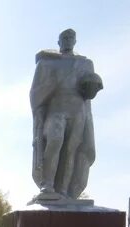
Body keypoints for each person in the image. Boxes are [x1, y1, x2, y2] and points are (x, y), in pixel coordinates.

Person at [30, 28, 103, 201]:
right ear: (59, 42)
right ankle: (47, 185)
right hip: (56, 108)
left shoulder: (85, 64)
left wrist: (92, 86)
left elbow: (89, 93)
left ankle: (64, 190)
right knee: (54, 141)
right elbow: (36, 92)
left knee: (72, 150)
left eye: (71, 37)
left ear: (75, 41)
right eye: (64, 37)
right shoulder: (48, 63)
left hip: (78, 111)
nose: (68, 40)